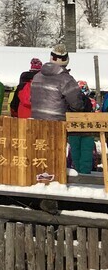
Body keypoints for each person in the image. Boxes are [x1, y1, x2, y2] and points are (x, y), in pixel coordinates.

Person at [31, 44, 93, 174]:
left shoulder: (37, 77)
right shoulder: (66, 79)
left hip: (36, 122)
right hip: (57, 125)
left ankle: (39, 177)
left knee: (40, 154)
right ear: (66, 60)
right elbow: (77, 104)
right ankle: (54, 179)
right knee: (55, 156)